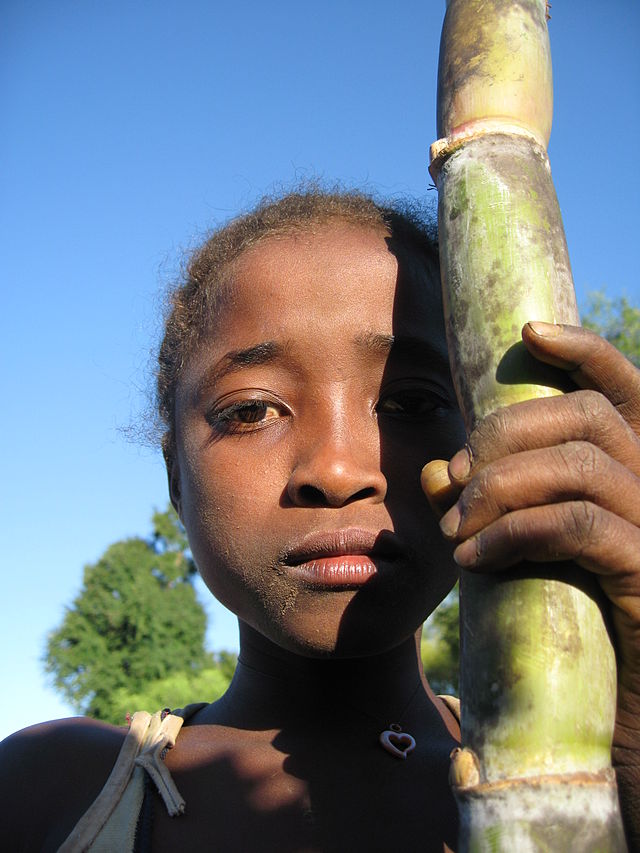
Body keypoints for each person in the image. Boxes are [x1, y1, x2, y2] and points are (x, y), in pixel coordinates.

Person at [1, 189, 639, 852]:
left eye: (413, 401)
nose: (337, 471)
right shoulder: (51, 788)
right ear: (175, 478)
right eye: (251, 410)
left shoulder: (605, 774)